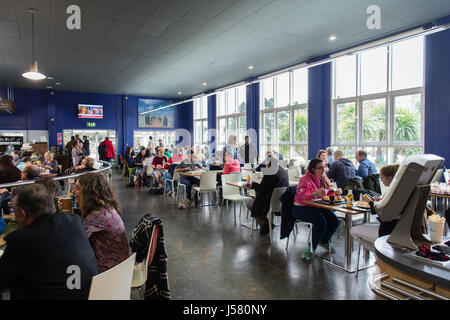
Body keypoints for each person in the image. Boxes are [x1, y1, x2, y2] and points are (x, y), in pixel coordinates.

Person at [0, 184, 98, 299]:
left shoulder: (21, 239)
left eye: (14, 209)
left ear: (22, 213)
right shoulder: (75, 221)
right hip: (87, 294)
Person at [74, 173, 129, 272]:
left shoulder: (97, 216)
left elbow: (75, 242)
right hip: (120, 266)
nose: (73, 191)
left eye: (77, 188)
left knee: (69, 269)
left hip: (109, 271)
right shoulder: (107, 208)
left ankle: (73, 288)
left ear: (87, 192)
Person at [291, 158, 342, 260]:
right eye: (320, 168)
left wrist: (334, 191)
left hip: (316, 206)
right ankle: (311, 247)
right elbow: (303, 198)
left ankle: (323, 240)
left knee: (335, 221)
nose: (323, 170)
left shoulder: (322, 178)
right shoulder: (304, 179)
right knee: (321, 222)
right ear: (313, 169)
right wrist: (316, 193)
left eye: (324, 167)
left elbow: (326, 191)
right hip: (301, 208)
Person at [247, 152, 289, 235]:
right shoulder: (283, 171)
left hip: (268, 202)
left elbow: (262, 188)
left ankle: (265, 224)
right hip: (282, 203)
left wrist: (253, 184)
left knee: (249, 203)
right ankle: (267, 224)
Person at [361, 164, 401, 236]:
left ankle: (375, 245)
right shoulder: (398, 191)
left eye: (382, 178)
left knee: (353, 230)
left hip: (387, 229)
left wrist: (370, 201)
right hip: (396, 227)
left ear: (389, 178)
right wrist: (381, 200)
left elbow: (378, 213)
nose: (381, 180)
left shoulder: (392, 192)